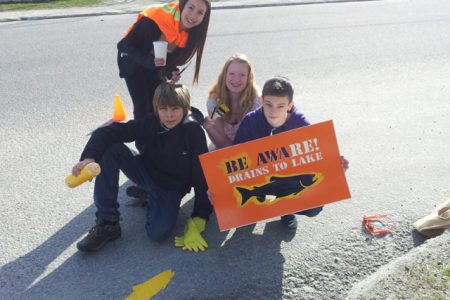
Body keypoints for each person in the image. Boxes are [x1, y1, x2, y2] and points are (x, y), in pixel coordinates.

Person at [73, 82, 212, 253]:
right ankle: (108, 223)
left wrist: (200, 215)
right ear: (156, 109)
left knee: (157, 234)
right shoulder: (151, 121)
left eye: (175, 109)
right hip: (146, 172)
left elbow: (201, 173)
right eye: (164, 108)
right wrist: (89, 157)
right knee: (110, 148)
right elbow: (107, 132)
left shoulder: (193, 132)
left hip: (170, 187)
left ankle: (151, 196)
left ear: (184, 108)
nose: (169, 114)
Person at [233, 76, 349, 232]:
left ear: (290, 105)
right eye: (269, 104)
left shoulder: (301, 124)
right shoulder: (250, 121)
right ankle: (260, 209)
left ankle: (286, 210)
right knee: (241, 204)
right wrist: (218, 189)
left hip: (290, 180)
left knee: (314, 208)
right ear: (261, 101)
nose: (274, 112)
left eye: (281, 106)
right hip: (260, 177)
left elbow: (319, 161)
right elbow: (233, 160)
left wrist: (337, 168)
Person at [117, 0, 211, 152]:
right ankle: (143, 148)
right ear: (182, 6)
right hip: (133, 63)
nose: (193, 16)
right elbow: (126, 45)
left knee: (158, 106)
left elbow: (167, 60)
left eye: (200, 12)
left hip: (154, 66)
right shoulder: (155, 20)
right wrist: (150, 62)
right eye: (191, 8)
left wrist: (171, 71)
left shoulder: (189, 34)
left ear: (204, 17)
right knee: (142, 105)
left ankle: (158, 144)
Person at [203, 54, 260, 150]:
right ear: (225, 75)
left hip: (250, 149)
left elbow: (258, 136)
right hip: (225, 150)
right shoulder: (217, 101)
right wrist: (209, 128)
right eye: (231, 74)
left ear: (248, 78)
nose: (236, 79)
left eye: (242, 75)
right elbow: (221, 142)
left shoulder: (255, 101)